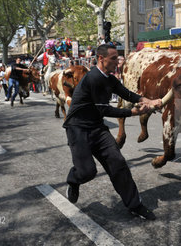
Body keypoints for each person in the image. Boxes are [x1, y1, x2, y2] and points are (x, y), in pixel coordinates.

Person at [64, 44, 162, 220]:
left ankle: (135, 205)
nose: (118, 61)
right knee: (87, 172)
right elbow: (104, 110)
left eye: (118, 57)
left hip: (97, 128)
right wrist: (133, 112)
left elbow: (126, 93)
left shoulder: (109, 78)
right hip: (77, 129)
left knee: (118, 163)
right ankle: (74, 179)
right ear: (101, 59)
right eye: (114, 58)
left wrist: (148, 100)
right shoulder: (93, 78)